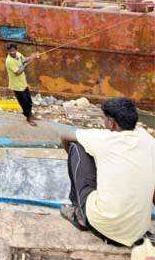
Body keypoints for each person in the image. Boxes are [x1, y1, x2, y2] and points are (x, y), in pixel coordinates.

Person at [59, 98, 155, 247]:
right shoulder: (150, 141)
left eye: (104, 118)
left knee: (76, 149)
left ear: (112, 123)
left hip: (105, 229)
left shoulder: (103, 139)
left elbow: (65, 137)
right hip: (138, 230)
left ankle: (79, 214)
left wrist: (76, 162)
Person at [4, 43, 40, 126]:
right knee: (24, 103)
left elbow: (24, 59)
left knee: (29, 101)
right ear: (8, 51)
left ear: (16, 50)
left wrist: (33, 56)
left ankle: (29, 115)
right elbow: (18, 72)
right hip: (16, 86)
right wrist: (28, 63)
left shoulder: (19, 54)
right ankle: (29, 118)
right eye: (10, 51)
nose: (12, 52)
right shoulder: (9, 61)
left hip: (23, 83)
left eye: (13, 50)